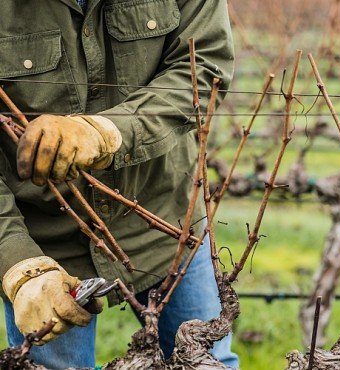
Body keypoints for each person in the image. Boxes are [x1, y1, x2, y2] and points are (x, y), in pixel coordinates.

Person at [0, 0, 238, 369]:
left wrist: (109, 132)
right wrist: (17, 262)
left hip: (166, 219)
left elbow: (204, 65)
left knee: (206, 361)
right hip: (44, 241)